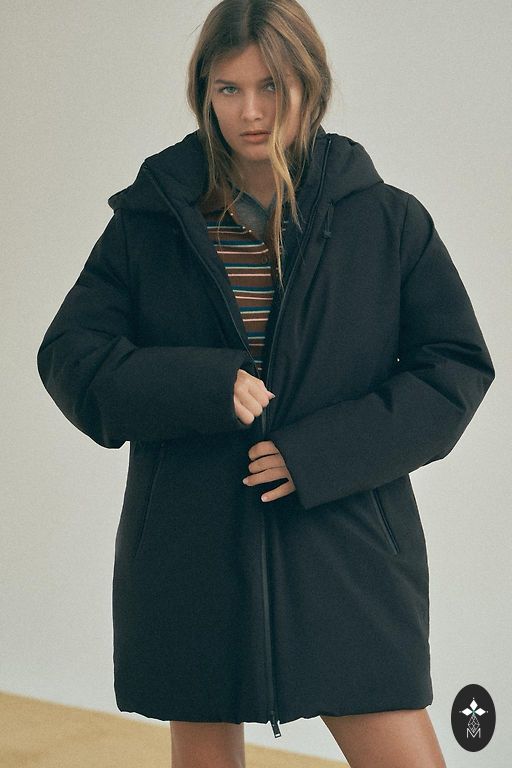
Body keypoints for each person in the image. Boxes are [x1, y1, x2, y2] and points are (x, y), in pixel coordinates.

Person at [36, 1, 495, 766]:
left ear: (310, 85)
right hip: (190, 544)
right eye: (228, 88)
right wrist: (202, 385)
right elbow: (70, 357)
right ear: (204, 93)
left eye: (271, 86)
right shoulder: (151, 222)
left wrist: (318, 454)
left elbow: (454, 369)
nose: (250, 112)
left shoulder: (386, 221)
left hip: (343, 544)